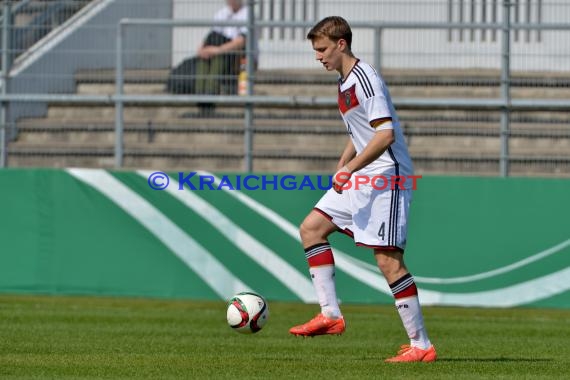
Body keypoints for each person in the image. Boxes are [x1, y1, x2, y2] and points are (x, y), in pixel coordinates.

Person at [288, 16, 437, 363]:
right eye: (315, 50)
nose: (318, 57)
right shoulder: (343, 82)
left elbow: (385, 135)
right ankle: (331, 315)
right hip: (361, 174)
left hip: (386, 175)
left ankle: (421, 345)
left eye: (322, 49)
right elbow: (362, 132)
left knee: (388, 261)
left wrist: (351, 169)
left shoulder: (365, 78)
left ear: (341, 44)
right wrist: (344, 163)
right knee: (312, 228)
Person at [167, 0, 256, 112]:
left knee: (217, 57)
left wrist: (217, 50)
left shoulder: (248, 13)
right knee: (206, 55)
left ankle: (209, 94)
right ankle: (201, 94)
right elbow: (211, 35)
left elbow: (241, 41)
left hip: (237, 56)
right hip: (218, 52)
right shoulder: (222, 13)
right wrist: (202, 50)